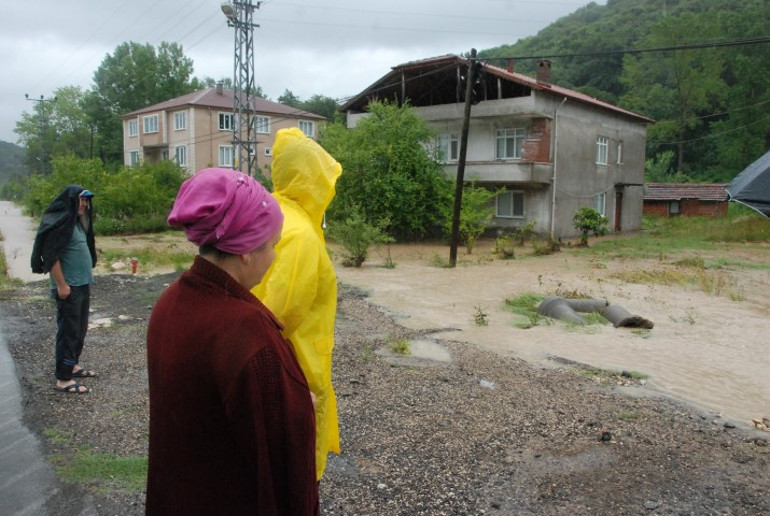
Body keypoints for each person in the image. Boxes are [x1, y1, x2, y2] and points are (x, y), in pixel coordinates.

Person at [146, 168, 319, 515]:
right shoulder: (246, 331)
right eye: (272, 245)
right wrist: (302, 405)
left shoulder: (170, 303)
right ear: (245, 251)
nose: (273, 258)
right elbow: (283, 456)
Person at [252, 127, 342, 481]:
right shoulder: (300, 234)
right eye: (324, 177)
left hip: (283, 372)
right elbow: (276, 316)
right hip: (295, 373)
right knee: (293, 477)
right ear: (312, 178)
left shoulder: (274, 214)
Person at [31, 185, 98, 395]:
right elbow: (51, 257)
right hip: (68, 288)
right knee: (68, 332)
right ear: (70, 201)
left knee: (79, 329)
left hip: (81, 284)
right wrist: (61, 285)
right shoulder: (59, 225)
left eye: (86, 201)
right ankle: (63, 378)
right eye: (80, 200)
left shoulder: (76, 223)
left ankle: (73, 365)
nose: (84, 204)